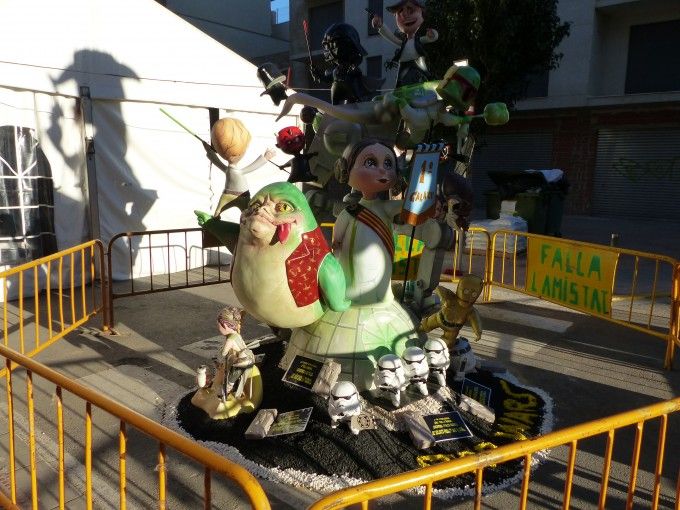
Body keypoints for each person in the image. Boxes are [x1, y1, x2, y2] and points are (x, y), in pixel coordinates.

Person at [332, 139, 403, 305]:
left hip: (383, 272)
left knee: (382, 283)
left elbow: (412, 206)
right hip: (355, 277)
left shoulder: (387, 208)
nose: (382, 170)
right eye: (370, 163)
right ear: (344, 170)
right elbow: (337, 239)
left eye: (388, 164)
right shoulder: (350, 213)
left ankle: (383, 294)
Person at [207, 118, 274, 217]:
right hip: (241, 195)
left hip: (229, 194)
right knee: (245, 213)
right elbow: (253, 166)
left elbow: (216, 161)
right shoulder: (236, 171)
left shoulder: (228, 170)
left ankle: (217, 215)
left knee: (222, 210)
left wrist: (209, 152)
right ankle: (217, 215)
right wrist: (265, 158)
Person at [371, 0, 438, 88]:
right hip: (404, 61)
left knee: (426, 72)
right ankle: (397, 90)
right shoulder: (403, 42)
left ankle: (433, 83)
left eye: (411, 10)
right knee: (399, 78)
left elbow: (429, 39)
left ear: (422, 13)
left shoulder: (417, 40)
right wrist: (381, 26)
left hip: (417, 59)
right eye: (400, 12)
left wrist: (433, 34)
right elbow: (392, 38)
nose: (405, 15)